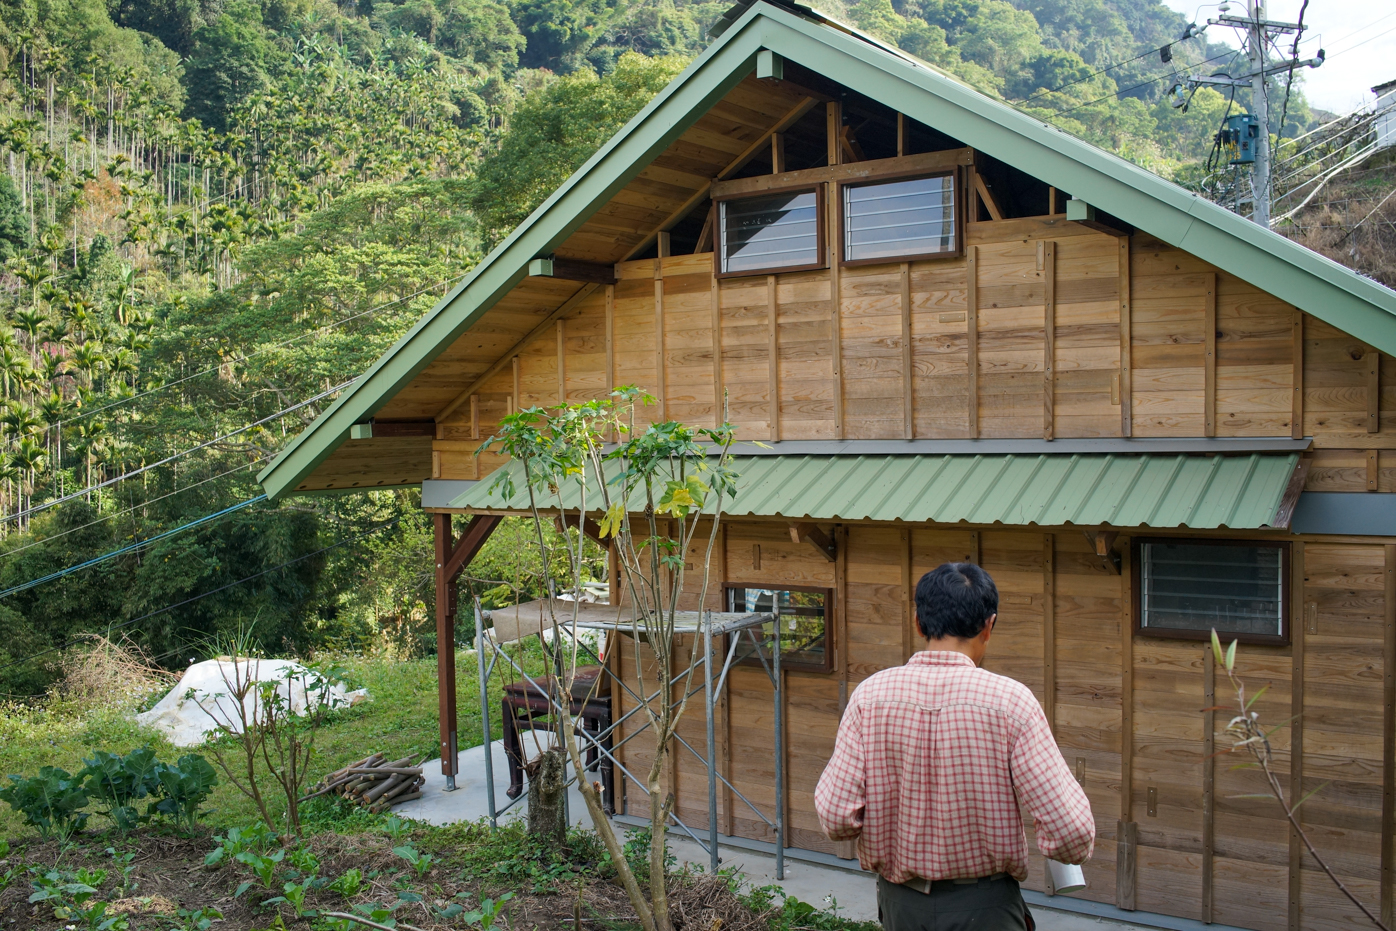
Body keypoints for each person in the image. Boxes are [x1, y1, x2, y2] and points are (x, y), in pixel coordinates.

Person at [815, 562, 1095, 931]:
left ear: (918, 622)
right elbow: (1071, 832)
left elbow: (836, 817)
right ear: (989, 625)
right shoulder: (1012, 703)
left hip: (901, 907)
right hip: (986, 907)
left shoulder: (870, 696)